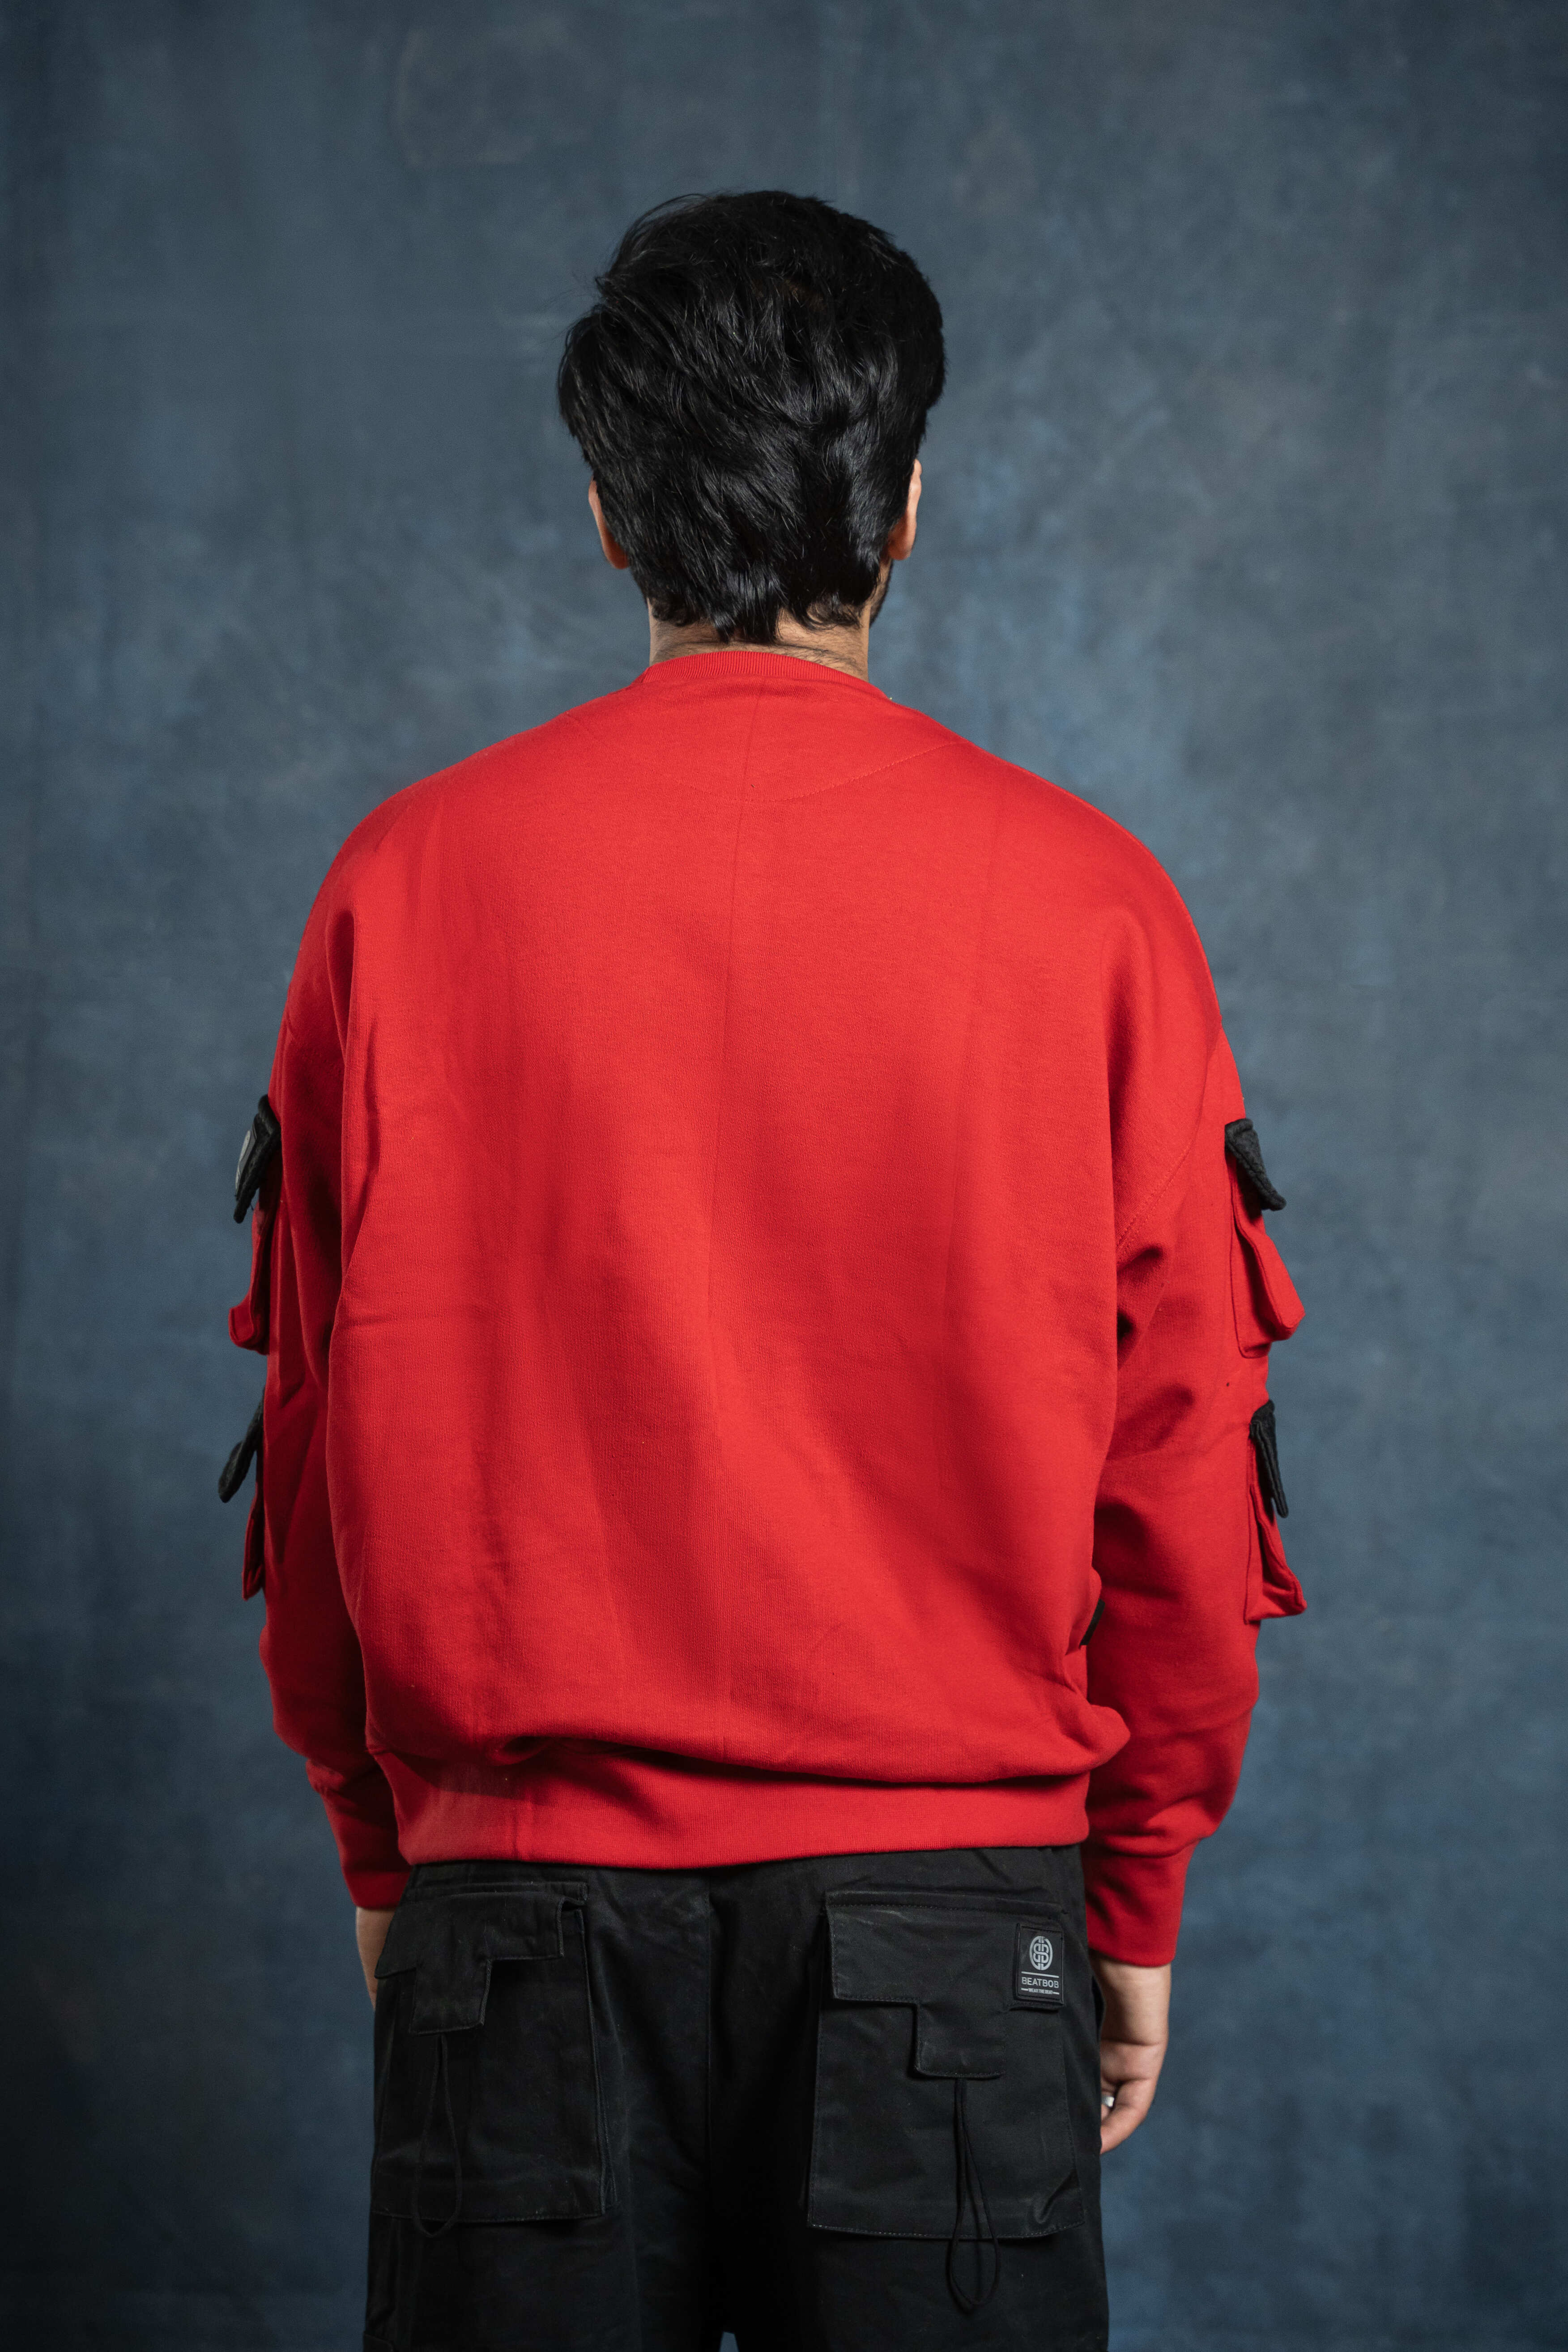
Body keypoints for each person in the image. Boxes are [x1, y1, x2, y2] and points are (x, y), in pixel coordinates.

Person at [221, 189, 1304, 2352]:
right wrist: (1137, 1885)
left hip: (516, 1909)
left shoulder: (400, 890)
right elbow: (1186, 1454)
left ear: (608, 517)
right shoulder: (1097, 909)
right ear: (906, 513)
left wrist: (383, 1843)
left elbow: (314, 1425)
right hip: (952, 1941)